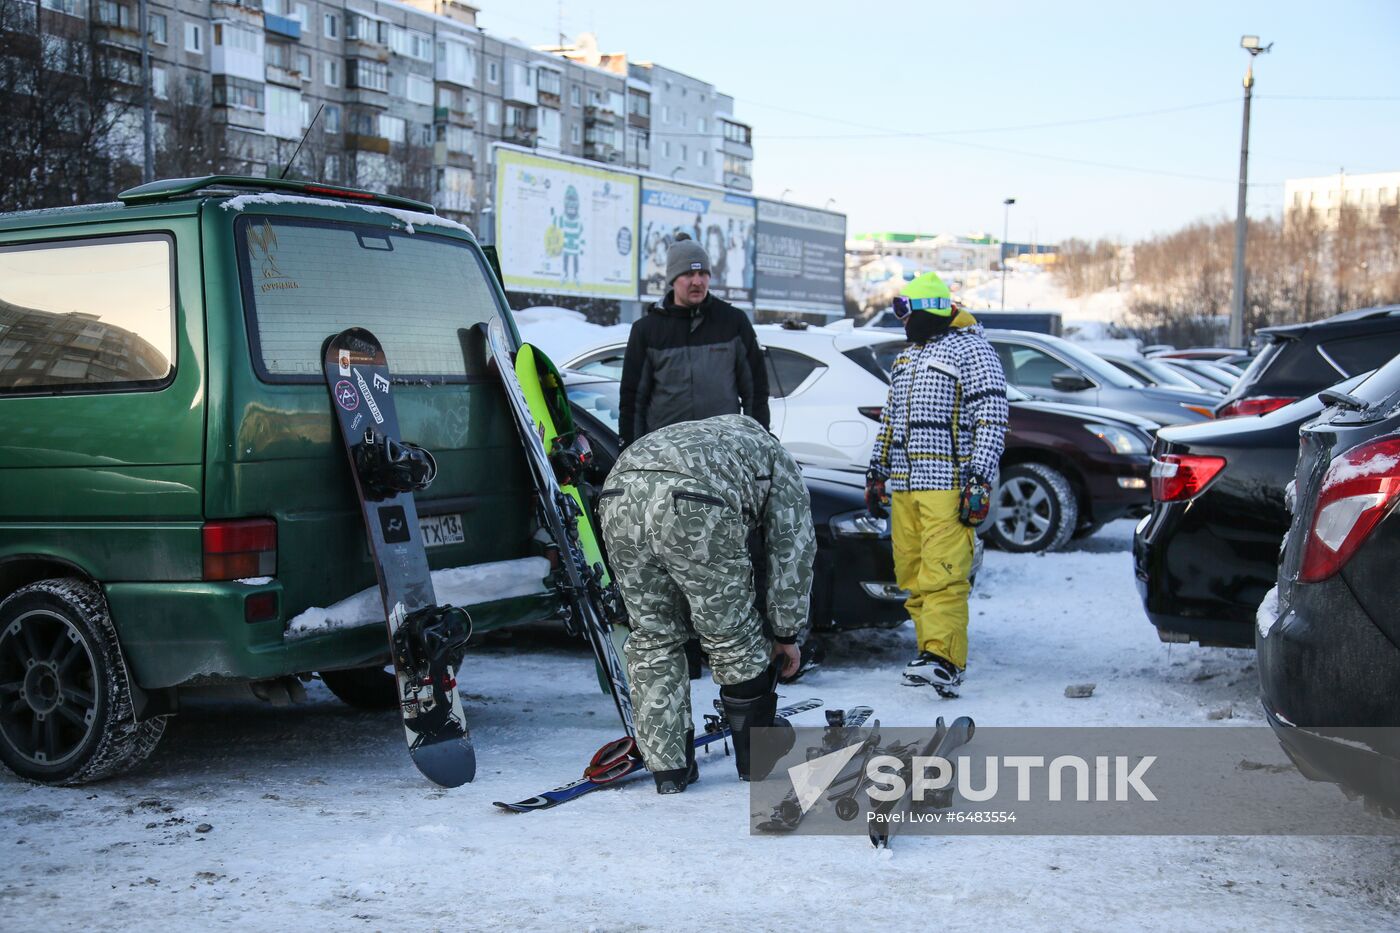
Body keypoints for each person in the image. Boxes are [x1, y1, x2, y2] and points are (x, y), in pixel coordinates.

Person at [597, 414, 815, 794]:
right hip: (695, 502)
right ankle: (756, 759)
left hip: (617, 497)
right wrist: (786, 631)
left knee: (653, 635)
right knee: (732, 635)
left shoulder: (707, 435)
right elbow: (792, 547)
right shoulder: (776, 457)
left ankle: (669, 770)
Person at [866, 272, 1007, 697]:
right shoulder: (907, 359)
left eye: (905, 311)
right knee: (912, 574)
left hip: (949, 483)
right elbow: (891, 420)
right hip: (907, 485)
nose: (902, 321)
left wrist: (979, 478)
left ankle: (945, 659)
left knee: (945, 573)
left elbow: (993, 417)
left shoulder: (973, 350)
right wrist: (877, 472)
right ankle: (929, 652)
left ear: (929, 309)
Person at [617, 235, 769, 447]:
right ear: (673, 279)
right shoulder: (647, 330)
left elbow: (756, 391)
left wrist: (758, 446)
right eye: (688, 274)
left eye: (702, 273)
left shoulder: (733, 322)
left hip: (722, 453)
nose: (697, 281)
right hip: (667, 456)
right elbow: (632, 402)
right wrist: (629, 452)